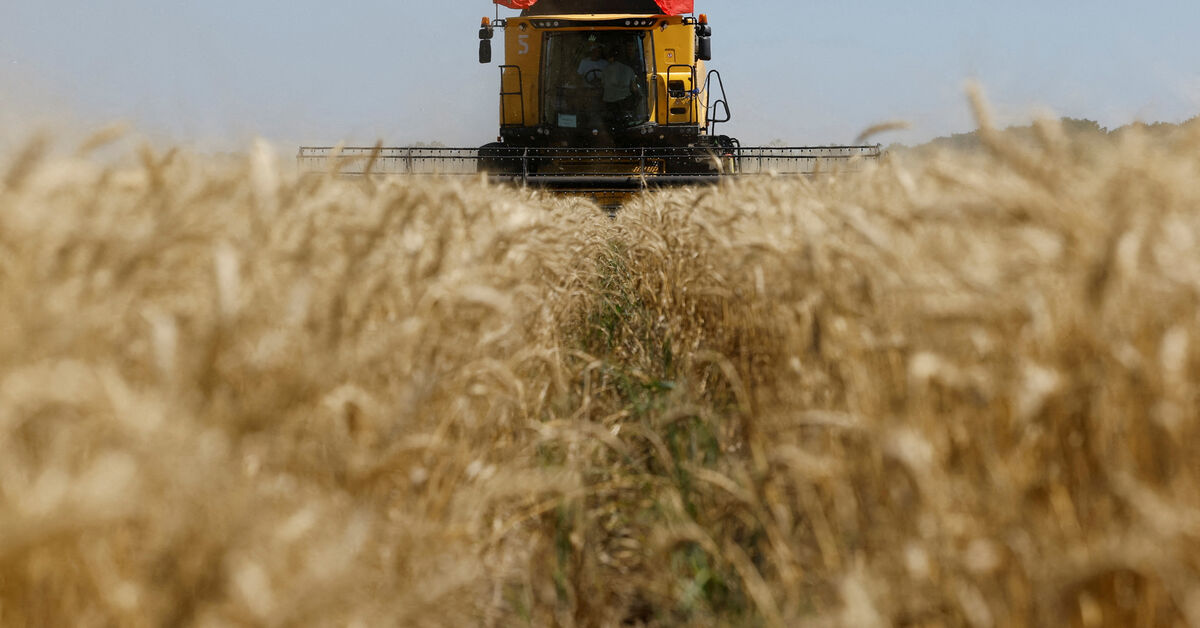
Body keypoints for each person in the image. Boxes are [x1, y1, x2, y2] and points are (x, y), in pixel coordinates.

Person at [601, 49, 639, 126]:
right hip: (624, 101)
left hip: (609, 101)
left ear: (612, 58)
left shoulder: (605, 69)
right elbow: (634, 88)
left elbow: (602, 84)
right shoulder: (629, 69)